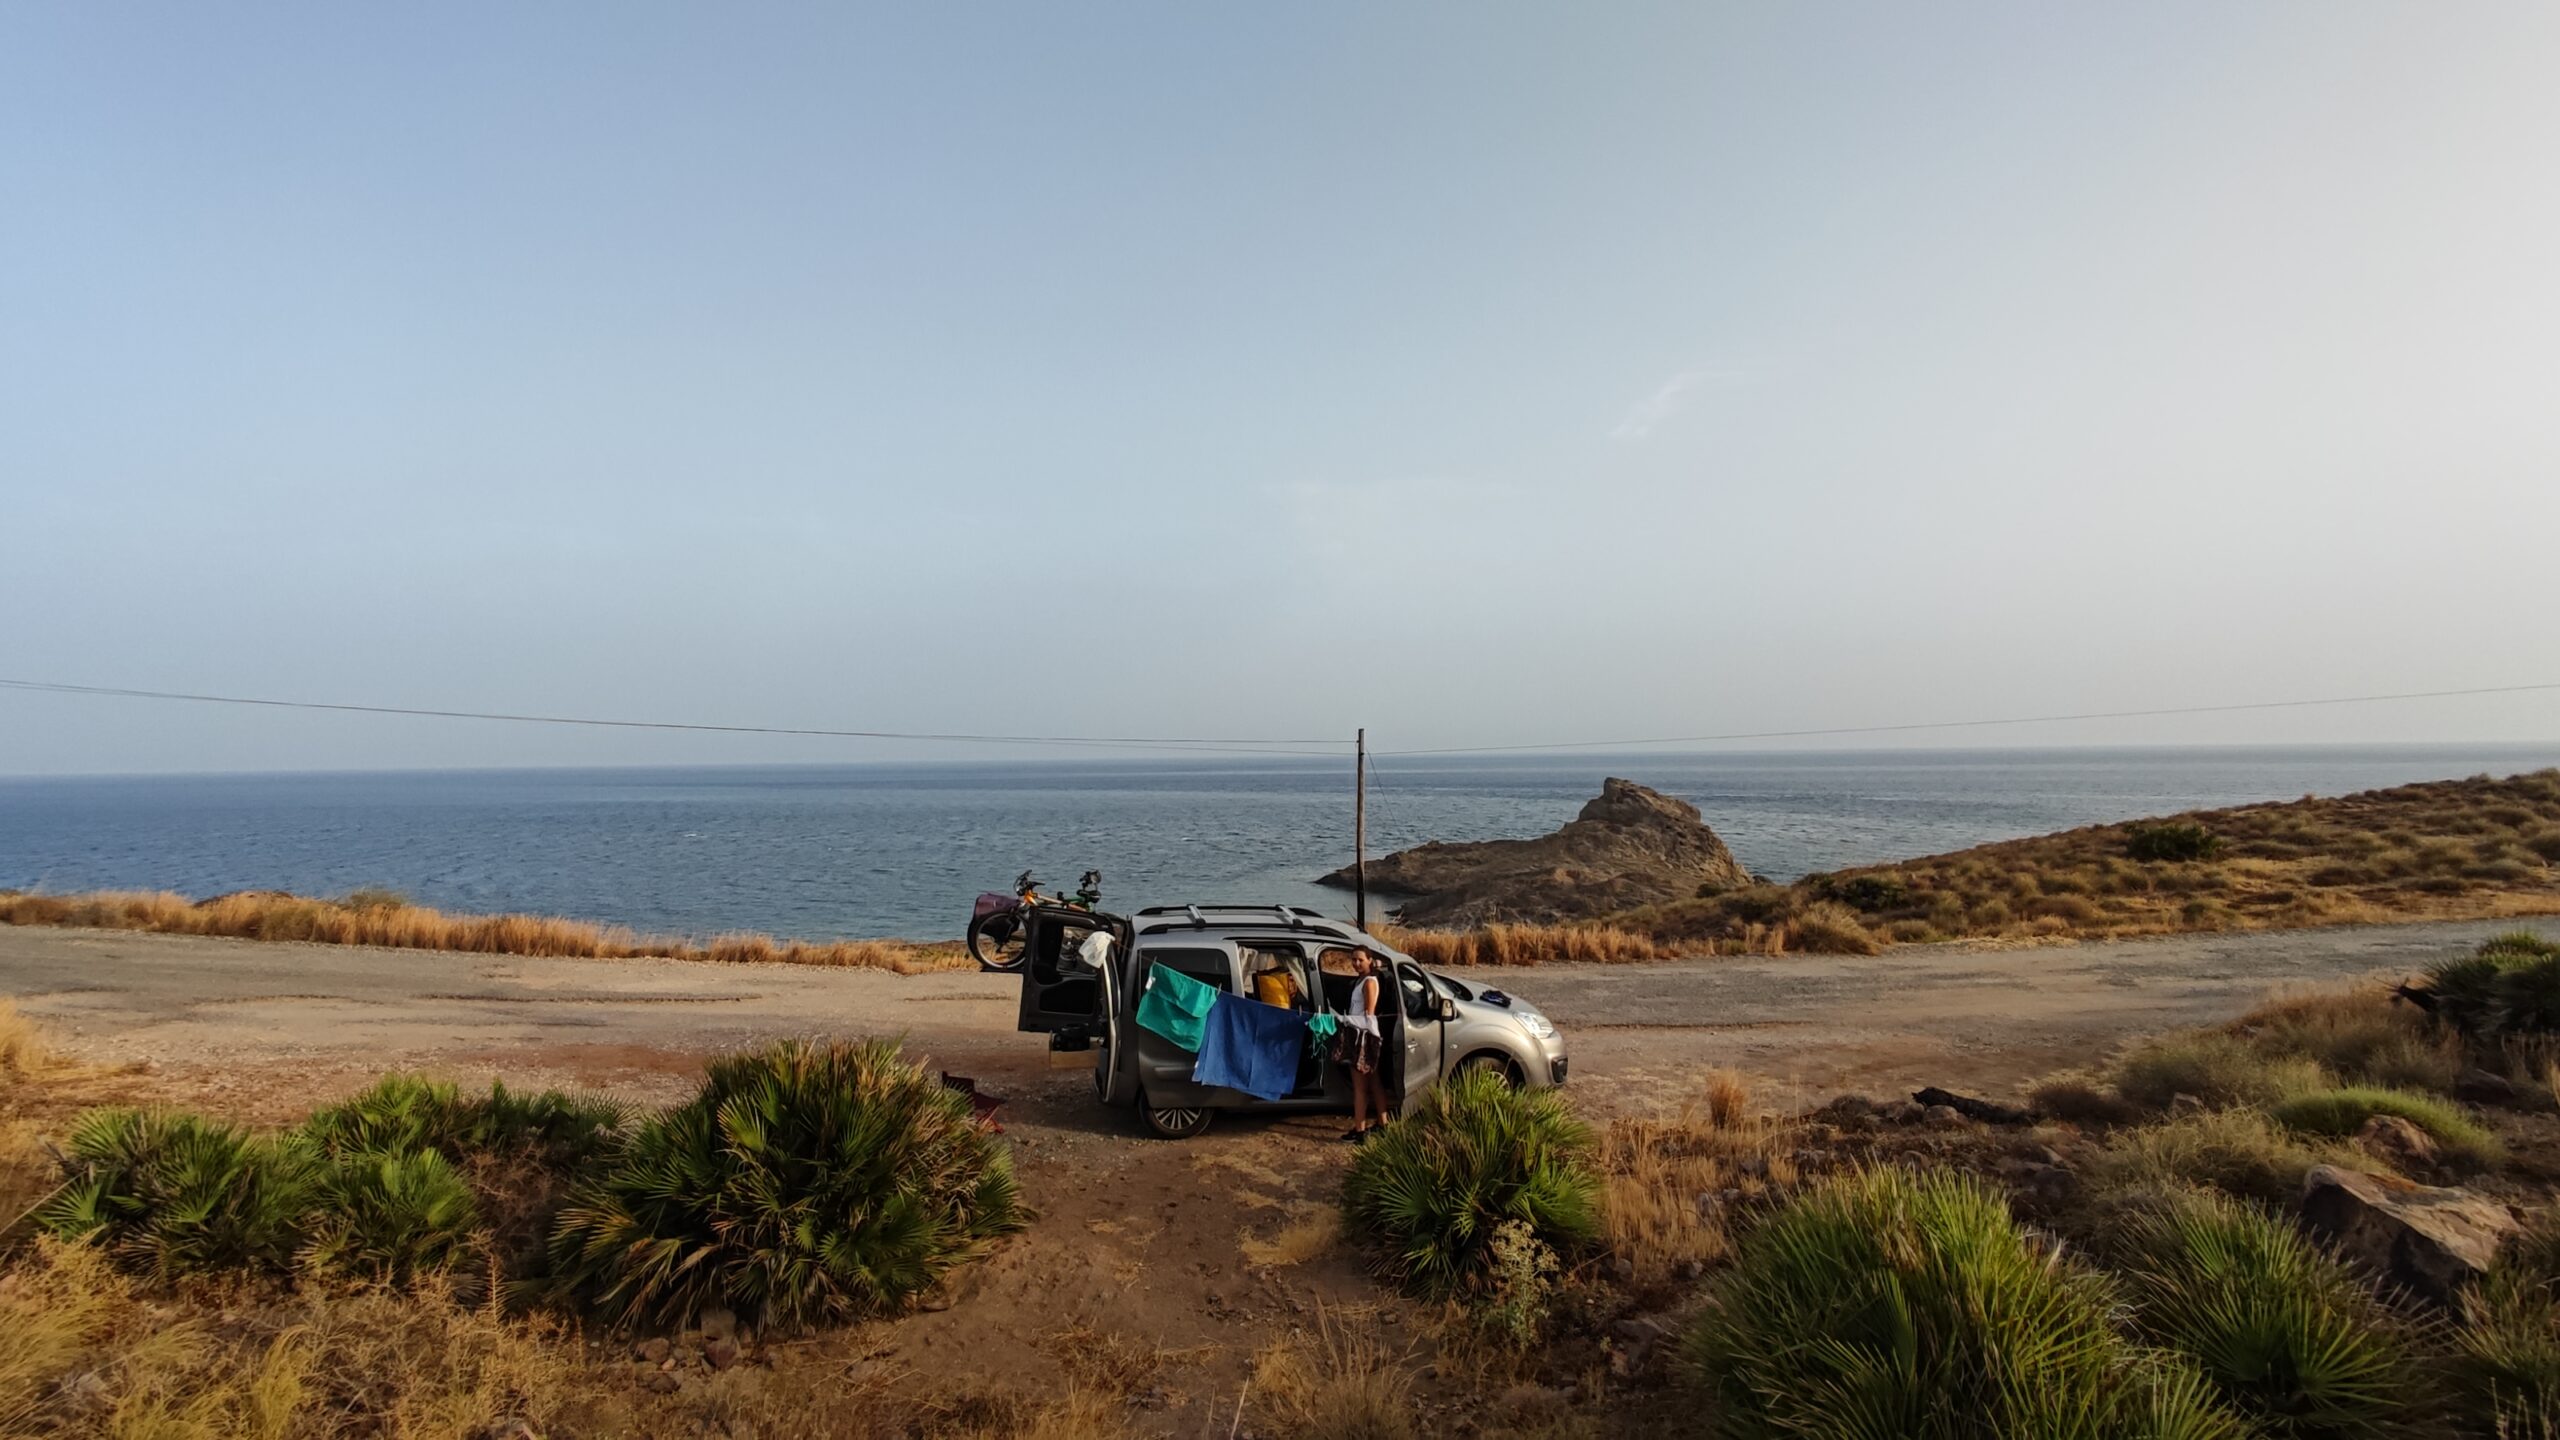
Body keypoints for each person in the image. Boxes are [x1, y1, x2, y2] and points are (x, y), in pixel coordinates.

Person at [1335, 949, 1390, 1141]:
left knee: (1360, 1088)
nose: (1356, 964)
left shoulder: (1369, 982)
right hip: (1359, 1034)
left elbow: (1368, 1015)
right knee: (1374, 1083)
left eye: (1360, 960)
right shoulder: (1360, 980)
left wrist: (1342, 1019)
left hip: (1364, 1037)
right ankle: (1384, 1124)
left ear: (1370, 961)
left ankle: (1360, 1132)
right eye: (1354, 960)